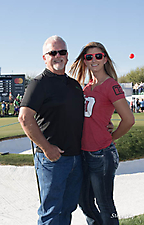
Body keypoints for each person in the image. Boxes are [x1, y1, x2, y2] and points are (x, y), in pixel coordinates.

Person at [18, 35, 85, 225]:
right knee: (51, 213)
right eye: (53, 52)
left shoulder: (74, 85)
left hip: (76, 158)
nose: (58, 56)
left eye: (62, 52)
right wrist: (47, 148)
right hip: (52, 160)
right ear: (44, 57)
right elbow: (24, 117)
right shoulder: (39, 84)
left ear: (67, 55)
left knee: (67, 209)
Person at [70, 41, 135, 225]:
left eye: (98, 56)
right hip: (84, 153)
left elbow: (129, 120)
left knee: (105, 205)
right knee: (85, 202)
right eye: (89, 57)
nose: (94, 60)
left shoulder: (111, 85)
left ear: (105, 59)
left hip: (102, 154)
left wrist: (111, 136)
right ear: (85, 61)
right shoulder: (87, 87)